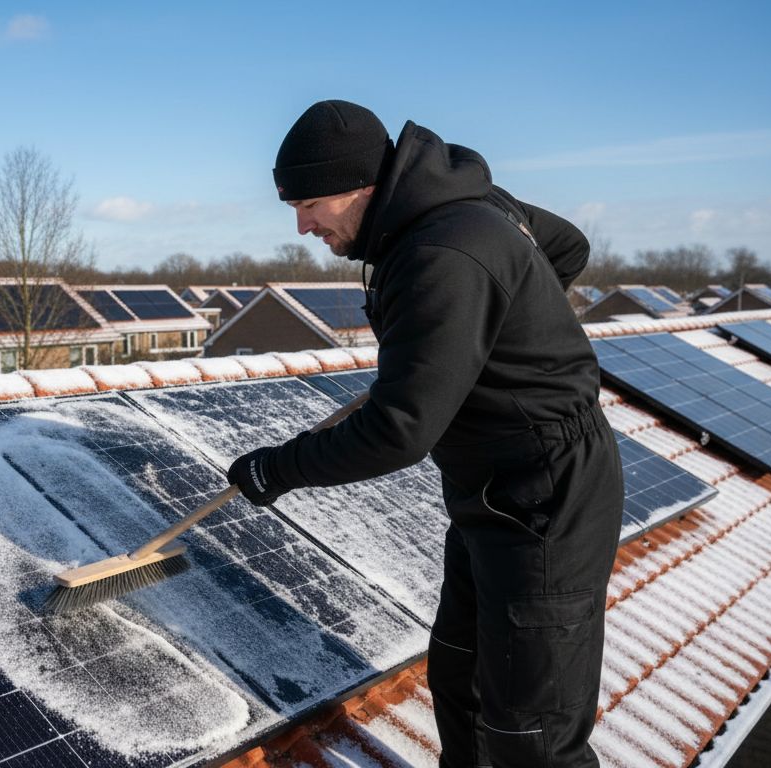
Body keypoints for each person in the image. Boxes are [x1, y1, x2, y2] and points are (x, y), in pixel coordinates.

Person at [227, 100, 622, 768]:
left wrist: (279, 469)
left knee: (531, 732)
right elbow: (566, 246)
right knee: (462, 677)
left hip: (547, 494)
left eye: (310, 204)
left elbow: (396, 432)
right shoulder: (459, 207)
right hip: (491, 488)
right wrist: (469, 337)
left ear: (362, 188)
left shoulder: (441, 250)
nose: (302, 225)